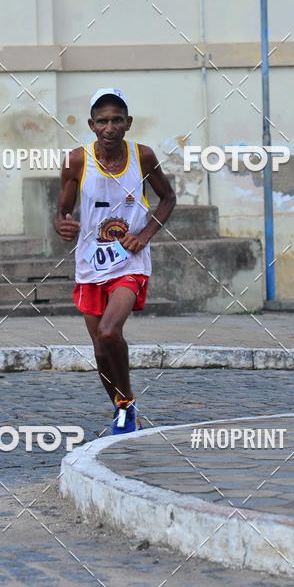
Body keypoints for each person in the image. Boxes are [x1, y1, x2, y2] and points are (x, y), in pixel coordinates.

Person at [54, 88, 176, 434]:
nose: (110, 127)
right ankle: (123, 406)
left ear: (128, 123)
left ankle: (125, 404)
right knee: (100, 349)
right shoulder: (76, 160)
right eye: (103, 121)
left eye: (117, 120)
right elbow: (62, 209)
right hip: (90, 263)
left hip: (129, 261)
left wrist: (145, 235)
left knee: (109, 332)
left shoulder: (144, 156)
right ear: (92, 125)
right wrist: (62, 224)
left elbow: (168, 198)